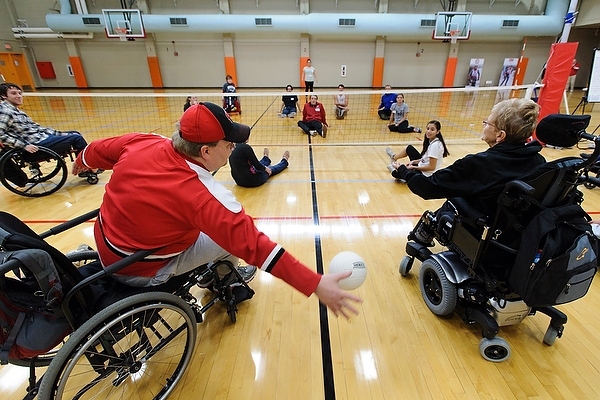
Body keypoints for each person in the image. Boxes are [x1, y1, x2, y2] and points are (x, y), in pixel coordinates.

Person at [71, 102, 361, 318]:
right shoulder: (200, 193)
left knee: (204, 226)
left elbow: (97, 149)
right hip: (140, 269)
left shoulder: (144, 141)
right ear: (206, 152)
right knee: (227, 236)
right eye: (229, 143)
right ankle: (221, 281)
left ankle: (214, 274)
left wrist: (82, 159)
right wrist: (315, 283)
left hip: (107, 243)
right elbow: (255, 246)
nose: (233, 148)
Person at [394, 98, 545, 245]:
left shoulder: (479, 164)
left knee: (454, 199)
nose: (484, 125)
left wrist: (404, 171)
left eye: (487, 123)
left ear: (500, 135)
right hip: (514, 233)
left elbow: (426, 187)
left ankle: (422, 236)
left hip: (485, 228)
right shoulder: (539, 162)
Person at [0, 82, 96, 177]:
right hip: (36, 144)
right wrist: (24, 146)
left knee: (75, 133)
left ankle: (86, 166)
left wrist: (59, 134)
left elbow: (37, 128)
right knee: (76, 138)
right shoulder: (6, 112)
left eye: (19, 93)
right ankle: (86, 168)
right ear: (3, 96)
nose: (19, 96)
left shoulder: (15, 110)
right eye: (13, 93)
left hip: (41, 138)